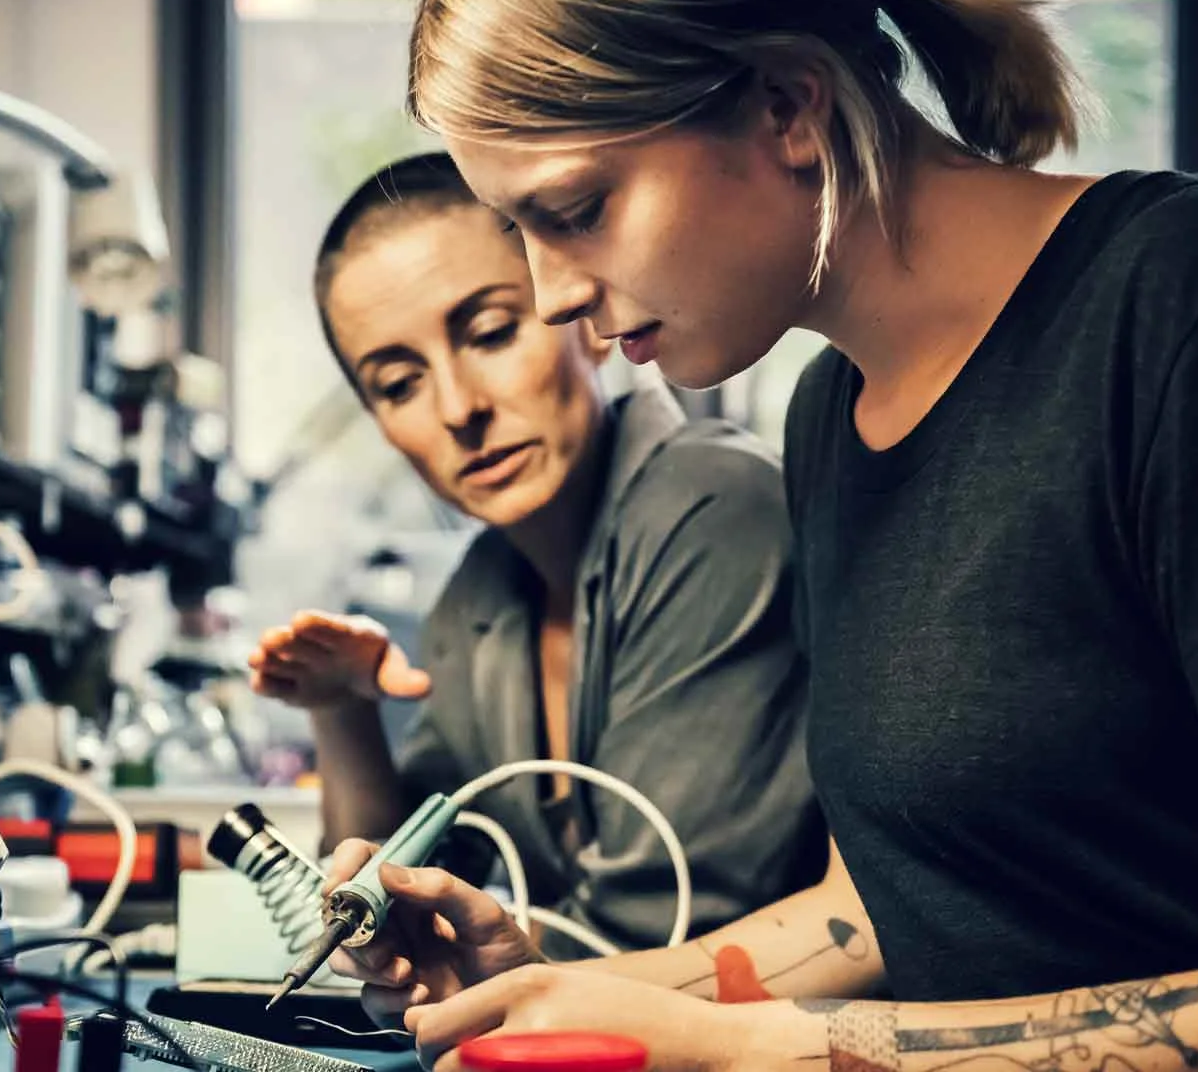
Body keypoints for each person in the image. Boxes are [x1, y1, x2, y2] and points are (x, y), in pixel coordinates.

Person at [323, 0, 1198, 1068]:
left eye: (574, 212)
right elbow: (875, 916)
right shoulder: (831, 419)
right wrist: (550, 991)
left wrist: (761, 1054)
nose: (553, 293)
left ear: (787, 108)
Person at [247, 152, 827, 956]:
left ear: (581, 313)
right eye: (399, 384)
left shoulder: (716, 507)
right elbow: (379, 910)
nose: (458, 409)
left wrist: (451, 966)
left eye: (489, 333)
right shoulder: (478, 598)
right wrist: (342, 711)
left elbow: (664, 934)